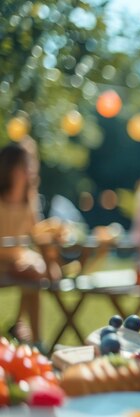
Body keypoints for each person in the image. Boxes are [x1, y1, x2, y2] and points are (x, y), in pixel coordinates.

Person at [0, 143, 46, 344]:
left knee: (36, 270)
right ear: (10, 167)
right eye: (24, 164)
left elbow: (38, 234)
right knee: (32, 272)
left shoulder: (30, 200)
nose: (29, 169)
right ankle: (18, 326)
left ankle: (35, 339)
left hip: (17, 260)